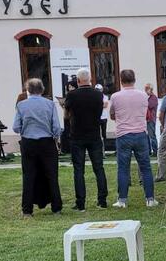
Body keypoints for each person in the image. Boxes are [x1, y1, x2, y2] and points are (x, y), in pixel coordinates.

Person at [12, 78, 63, 217]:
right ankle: (56, 208)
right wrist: (54, 137)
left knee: (28, 176)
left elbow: (16, 127)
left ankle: (27, 210)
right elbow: (57, 127)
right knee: (51, 175)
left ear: (28, 90)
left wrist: (25, 129)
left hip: (29, 142)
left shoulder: (21, 105)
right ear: (42, 89)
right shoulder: (50, 104)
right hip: (46, 142)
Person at [108, 69, 157, 208]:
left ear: (121, 80)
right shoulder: (143, 95)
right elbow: (145, 112)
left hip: (123, 134)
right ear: (134, 80)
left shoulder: (115, 96)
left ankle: (122, 200)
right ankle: (150, 199)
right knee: (146, 167)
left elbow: (112, 115)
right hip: (141, 133)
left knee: (123, 168)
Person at [64, 68, 109, 211]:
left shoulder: (72, 95)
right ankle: (102, 201)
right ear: (90, 80)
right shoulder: (98, 95)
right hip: (94, 135)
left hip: (77, 136)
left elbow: (66, 115)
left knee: (79, 170)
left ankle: (80, 203)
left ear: (77, 81)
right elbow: (99, 112)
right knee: (99, 168)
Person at [144, 83, 159, 156]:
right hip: (148, 119)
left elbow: (149, 106)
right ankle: (149, 151)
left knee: (152, 135)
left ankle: (155, 151)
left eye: (147, 89)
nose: (145, 91)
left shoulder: (153, 98)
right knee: (148, 136)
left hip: (151, 119)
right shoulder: (149, 98)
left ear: (150, 89)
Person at [96, 84, 110, 149]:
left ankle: (105, 148)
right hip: (96, 117)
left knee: (104, 133)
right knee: (97, 133)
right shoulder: (94, 96)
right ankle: (98, 148)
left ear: (102, 90)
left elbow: (105, 105)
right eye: (97, 89)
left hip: (104, 117)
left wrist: (97, 105)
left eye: (99, 89)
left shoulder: (105, 97)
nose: (98, 91)